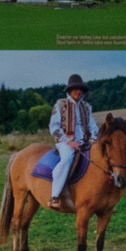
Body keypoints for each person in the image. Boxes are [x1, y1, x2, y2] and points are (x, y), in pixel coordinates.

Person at [48, 74, 96, 211]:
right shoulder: (60, 104)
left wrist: (94, 139)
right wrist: (69, 142)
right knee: (67, 159)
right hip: (65, 143)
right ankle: (55, 196)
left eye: (80, 89)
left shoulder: (87, 107)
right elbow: (54, 128)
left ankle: (100, 200)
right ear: (69, 90)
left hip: (84, 142)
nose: (78, 91)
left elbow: (93, 126)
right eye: (75, 89)